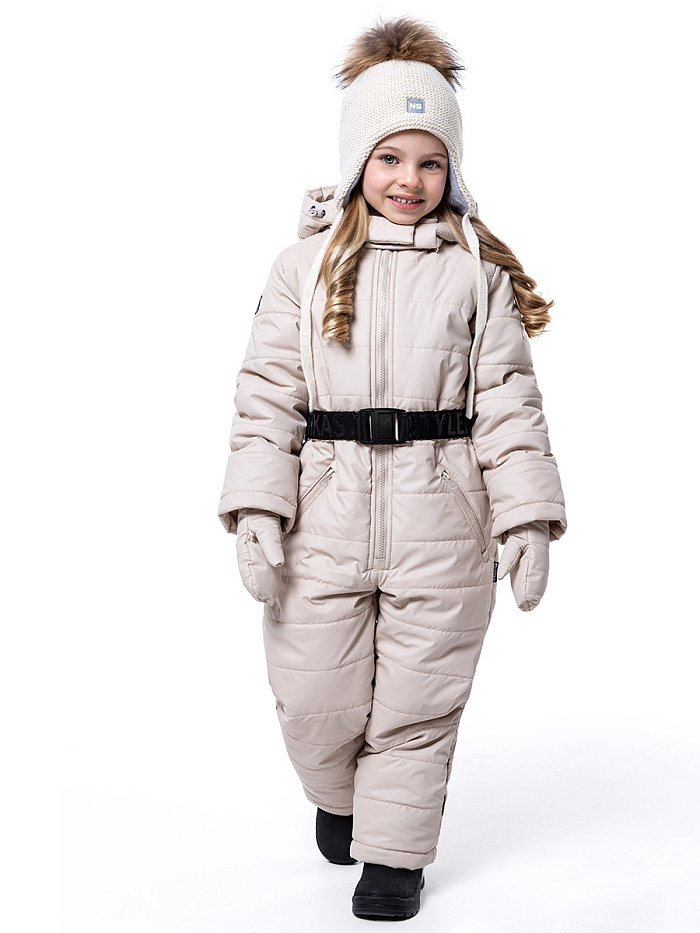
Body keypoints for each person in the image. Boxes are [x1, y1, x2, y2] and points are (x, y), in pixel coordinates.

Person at [218, 15, 567, 922]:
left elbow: (510, 402)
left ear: (453, 172)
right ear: (355, 164)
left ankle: (393, 855)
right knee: (313, 697)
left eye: (430, 162)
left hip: (443, 517)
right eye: (390, 158)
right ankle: (339, 795)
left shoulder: (477, 275)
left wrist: (526, 517)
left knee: (419, 701)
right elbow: (266, 395)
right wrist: (257, 507)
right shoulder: (302, 269)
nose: (410, 179)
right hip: (324, 513)